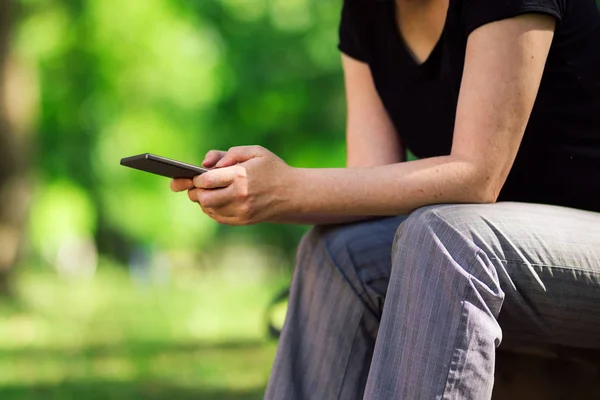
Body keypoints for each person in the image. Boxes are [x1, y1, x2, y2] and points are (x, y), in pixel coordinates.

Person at [171, 0, 600, 398]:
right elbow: (367, 190)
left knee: (445, 237)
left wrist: (289, 188)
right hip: (511, 251)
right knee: (341, 251)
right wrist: (253, 190)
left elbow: (477, 176)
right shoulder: (366, 12)